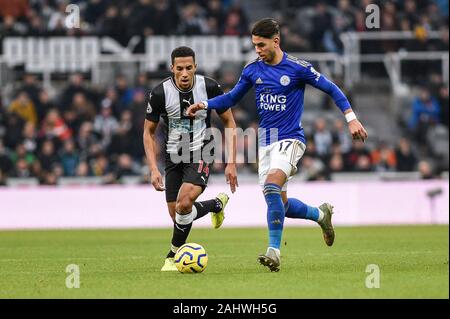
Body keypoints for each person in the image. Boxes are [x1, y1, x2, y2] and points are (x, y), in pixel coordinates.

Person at [187, 18, 368, 272]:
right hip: (266, 141)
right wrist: (205, 105)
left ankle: (274, 251)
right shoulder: (252, 70)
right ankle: (320, 215)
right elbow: (231, 97)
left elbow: (332, 89)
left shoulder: (297, 68)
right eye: (254, 45)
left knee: (272, 186)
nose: (257, 50)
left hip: (291, 138)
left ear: (276, 41)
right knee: (279, 204)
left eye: (261, 45)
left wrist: (351, 118)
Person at [143, 46, 238, 272]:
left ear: (195, 67)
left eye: (188, 68)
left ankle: (173, 255)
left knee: (185, 203)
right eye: (179, 69)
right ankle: (216, 204)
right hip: (174, 155)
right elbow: (148, 132)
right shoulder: (159, 93)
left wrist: (231, 162)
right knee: (177, 212)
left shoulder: (210, 87)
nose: (184, 73)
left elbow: (229, 123)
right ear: (172, 68)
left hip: (202, 150)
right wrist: (153, 169)